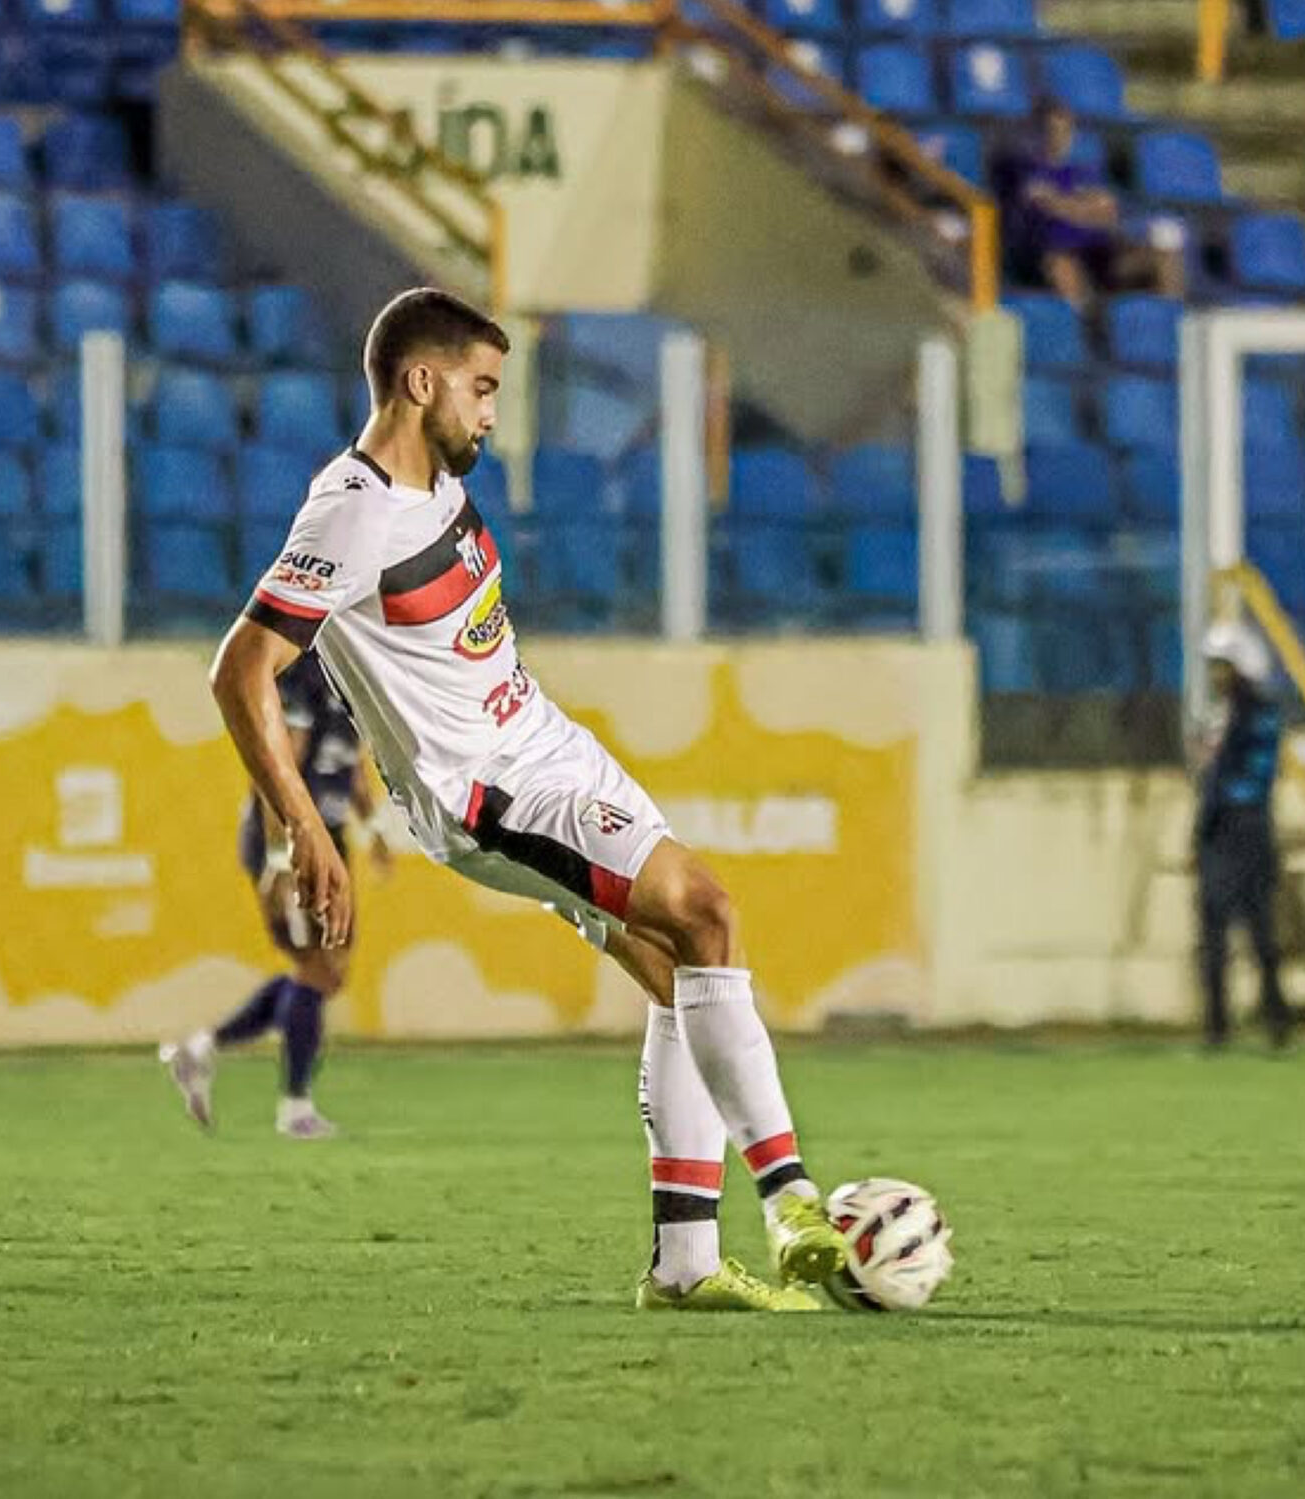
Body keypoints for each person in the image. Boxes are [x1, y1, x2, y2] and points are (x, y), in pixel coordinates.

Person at [210, 286, 838, 1312]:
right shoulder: (353, 510)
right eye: (483, 388)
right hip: (489, 791)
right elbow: (240, 672)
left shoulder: (433, 485)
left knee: (682, 973)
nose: (495, 412)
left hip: (552, 747)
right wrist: (304, 824)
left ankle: (683, 1269)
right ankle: (795, 1203)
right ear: (422, 382)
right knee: (707, 914)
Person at [162, 654, 390, 1139]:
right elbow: (273, 771)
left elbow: (351, 765)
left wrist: (372, 831)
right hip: (295, 840)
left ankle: (201, 1049)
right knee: (317, 969)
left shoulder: (352, 680)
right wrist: (280, 859)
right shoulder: (301, 679)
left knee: (329, 972)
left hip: (329, 839)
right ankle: (295, 1107)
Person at [1192, 617, 1289, 1049]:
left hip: (1247, 831)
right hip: (1217, 834)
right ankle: (1216, 1027)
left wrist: (1219, 784)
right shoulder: (1218, 716)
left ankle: (1276, 1021)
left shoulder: (1261, 715)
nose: (1216, 676)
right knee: (1212, 936)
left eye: (1223, 666)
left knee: (1261, 933)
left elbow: (1253, 777)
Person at [998, 98, 1185, 318]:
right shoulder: (1025, 169)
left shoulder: (1083, 171)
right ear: (1037, 131)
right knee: (1060, 265)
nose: (1058, 136)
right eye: (1051, 129)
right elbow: (1046, 206)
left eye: (1065, 130)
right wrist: (1085, 208)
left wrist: (1067, 206)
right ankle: (1085, 332)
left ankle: (1173, 323)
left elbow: (1109, 211)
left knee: (1163, 257)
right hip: (1053, 252)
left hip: (1099, 251)